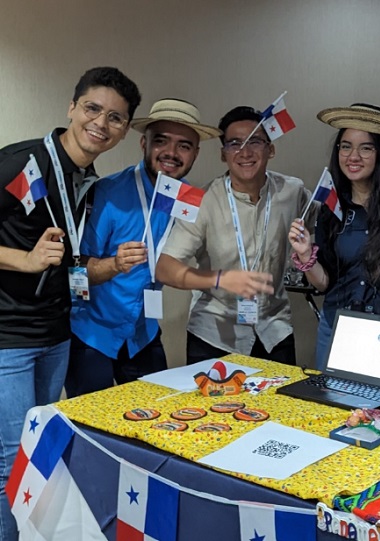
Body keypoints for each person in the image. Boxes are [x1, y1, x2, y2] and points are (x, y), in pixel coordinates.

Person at [0, 67, 140, 541]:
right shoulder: (23, 161)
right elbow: (37, 257)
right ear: (72, 108)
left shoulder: (87, 181)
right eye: (93, 109)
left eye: (116, 118)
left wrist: (113, 265)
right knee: (10, 459)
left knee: (41, 453)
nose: (101, 123)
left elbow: (72, 261)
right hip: (8, 338)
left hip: (56, 335)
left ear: (124, 130)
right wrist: (25, 259)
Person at [66, 99, 221, 397]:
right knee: (90, 426)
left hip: (143, 333)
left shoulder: (190, 201)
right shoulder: (107, 193)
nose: (172, 153)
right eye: (161, 141)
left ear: (195, 154)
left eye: (184, 145)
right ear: (143, 143)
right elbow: (77, 267)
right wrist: (113, 264)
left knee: (157, 416)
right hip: (93, 334)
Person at [156, 106, 312, 365]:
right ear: (223, 154)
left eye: (256, 142)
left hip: (275, 331)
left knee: (282, 406)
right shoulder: (201, 201)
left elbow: (331, 221)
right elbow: (165, 268)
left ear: (270, 149)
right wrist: (220, 279)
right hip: (215, 334)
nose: (245, 152)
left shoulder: (292, 192)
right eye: (235, 143)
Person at [288, 104, 380, 370]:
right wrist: (306, 255)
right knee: (332, 409)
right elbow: (324, 283)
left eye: (366, 147)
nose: (353, 156)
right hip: (340, 330)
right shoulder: (331, 206)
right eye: (345, 146)